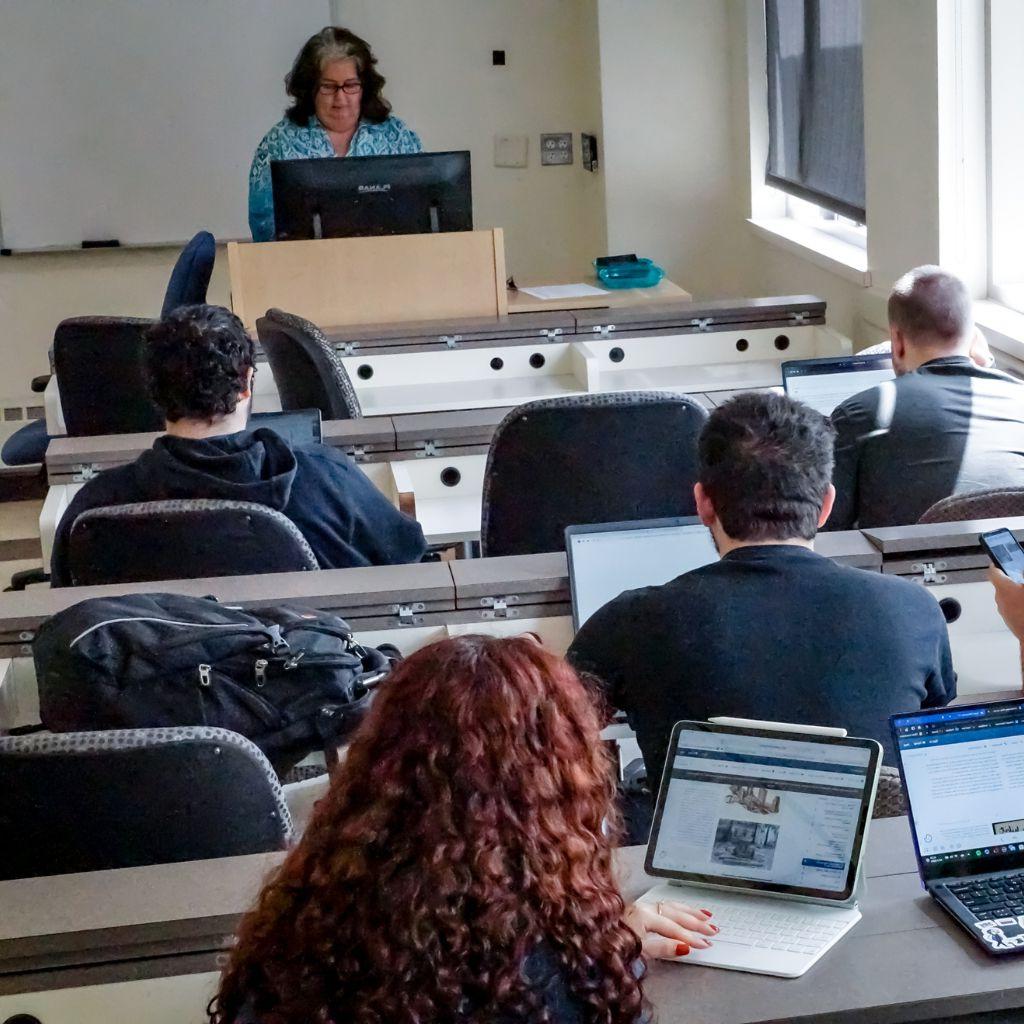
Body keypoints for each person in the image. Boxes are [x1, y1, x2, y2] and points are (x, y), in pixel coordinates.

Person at [208, 635, 717, 1024]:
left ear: (377, 764)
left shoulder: (295, 934)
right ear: (561, 787)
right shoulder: (571, 979)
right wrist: (609, 950)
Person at [568, 391, 956, 780]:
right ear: (825, 505)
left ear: (703, 503)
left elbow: (553, 736)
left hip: (695, 840)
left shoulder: (631, 623)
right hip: (881, 841)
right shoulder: (914, 609)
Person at [49, 304, 426, 586]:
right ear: (246, 382)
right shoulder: (327, 480)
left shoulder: (95, 509)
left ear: (154, 392)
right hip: (307, 686)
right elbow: (408, 564)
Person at [828, 266, 1024, 529]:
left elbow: (827, 530)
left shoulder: (858, 413)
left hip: (902, 570)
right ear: (975, 337)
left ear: (896, 342)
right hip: (1011, 569)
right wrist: (986, 364)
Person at [248, 27, 422, 242]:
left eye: (350, 85)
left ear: (365, 87)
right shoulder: (279, 142)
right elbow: (264, 227)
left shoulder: (397, 137)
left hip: (388, 264)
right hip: (303, 269)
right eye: (328, 87)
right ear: (310, 89)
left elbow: (419, 212)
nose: (340, 99)